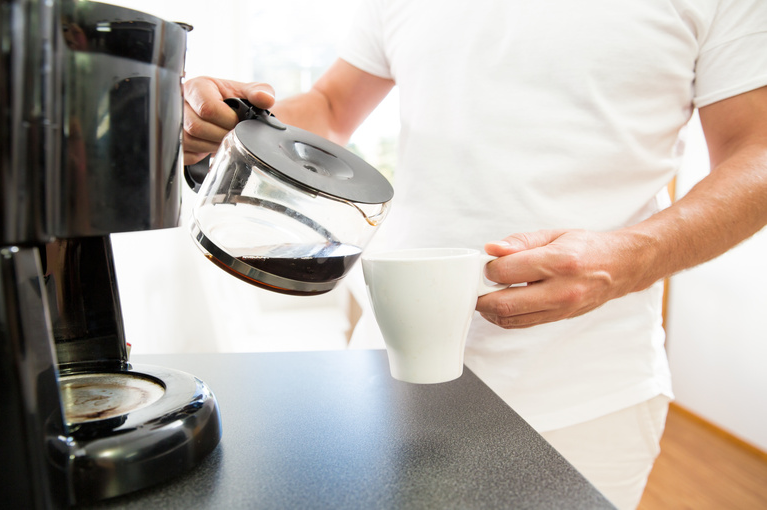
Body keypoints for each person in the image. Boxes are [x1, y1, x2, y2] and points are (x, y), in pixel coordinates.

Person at [181, 1, 767, 508]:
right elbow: (332, 106)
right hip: (382, 375)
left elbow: (757, 150)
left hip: (584, 390)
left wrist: (631, 257)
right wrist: (234, 122)